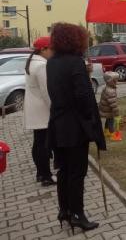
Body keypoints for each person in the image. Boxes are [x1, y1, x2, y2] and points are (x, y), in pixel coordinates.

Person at [46, 23, 106, 233]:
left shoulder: (51, 62)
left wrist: (84, 72)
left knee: (63, 170)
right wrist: (89, 118)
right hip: (74, 127)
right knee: (76, 173)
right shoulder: (75, 62)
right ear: (75, 39)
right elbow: (82, 96)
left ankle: (64, 211)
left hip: (57, 123)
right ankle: (78, 215)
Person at [24, 36, 55, 186]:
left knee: (38, 143)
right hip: (42, 110)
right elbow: (46, 91)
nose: (53, 52)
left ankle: (40, 173)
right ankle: (46, 176)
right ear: (43, 49)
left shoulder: (32, 62)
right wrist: (54, 109)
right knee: (43, 145)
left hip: (34, 109)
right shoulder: (42, 66)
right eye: (51, 49)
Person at [98, 72, 121, 140]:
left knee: (108, 119)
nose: (116, 82)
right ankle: (113, 135)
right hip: (108, 109)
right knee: (111, 121)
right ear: (110, 81)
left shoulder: (106, 87)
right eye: (115, 80)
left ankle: (106, 131)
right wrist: (117, 113)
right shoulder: (110, 91)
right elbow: (113, 104)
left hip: (104, 109)